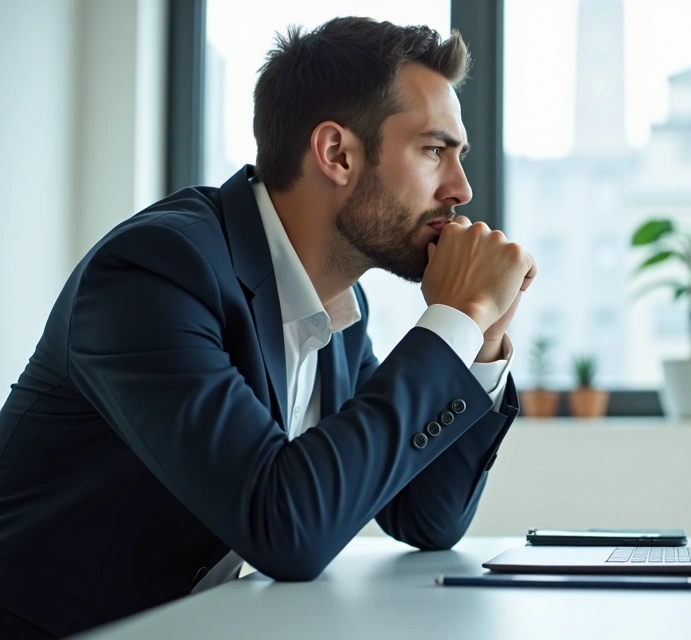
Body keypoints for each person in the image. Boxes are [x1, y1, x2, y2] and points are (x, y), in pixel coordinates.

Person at [0, 17, 534, 638]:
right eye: (434, 151)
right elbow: (285, 527)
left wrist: (483, 339)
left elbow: (425, 517)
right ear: (337, 153)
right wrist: (457, 316)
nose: (461, 188)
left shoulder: (336, 309)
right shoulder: (156, 272)